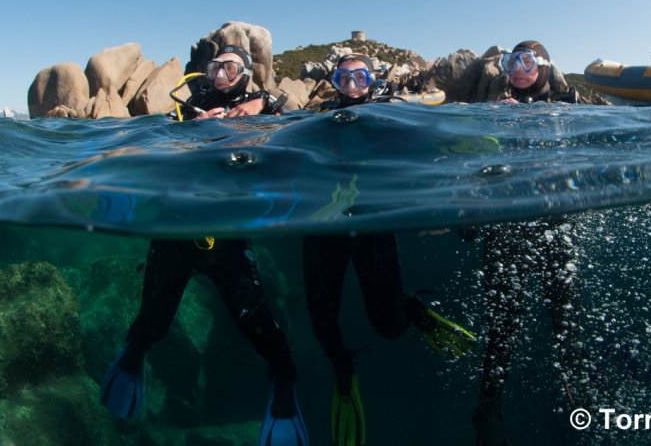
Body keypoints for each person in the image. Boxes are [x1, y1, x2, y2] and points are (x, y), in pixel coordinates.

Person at [100, 44, 308, 446]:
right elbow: (159, 142)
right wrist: (198, 128)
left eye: (231, 68)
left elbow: (295, 138)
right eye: (215, 67)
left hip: (227, 236)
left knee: (260, 329)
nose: (221, 76)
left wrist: (262, 109)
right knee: (153, 323)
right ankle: (132, 355)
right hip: (179, 230)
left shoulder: (262, 107)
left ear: (246, 74)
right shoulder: (190, 107)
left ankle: (283, 381)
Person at [303, 53, 477, 446]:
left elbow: (429, 143)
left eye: (359, 77)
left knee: (390, 326)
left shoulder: (389, 114)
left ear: (373, 80)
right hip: (321, 228)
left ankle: (412, 308)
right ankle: (342, 369)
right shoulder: (319, 118)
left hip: (373, 226)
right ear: (333, 81)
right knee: (321, 324)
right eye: (342, 78)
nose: (350, 86)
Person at [470, 41, 585, 446]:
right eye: (509, 62)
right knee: (502, 328)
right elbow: (472, 162)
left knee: (564, 318)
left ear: (545, 67)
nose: (517, 69)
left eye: (527, 61)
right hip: (506, 231)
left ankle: (576, 390)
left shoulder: (570, 107)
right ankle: (488, 405)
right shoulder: (497, 110)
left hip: (556, 227)